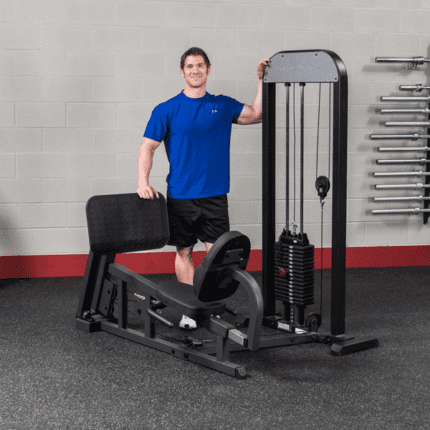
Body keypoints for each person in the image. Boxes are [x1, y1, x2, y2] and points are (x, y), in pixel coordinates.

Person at [137, 47, 270, 329]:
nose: (195, 70)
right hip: (181, 197)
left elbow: (257, 114)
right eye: (189, 66)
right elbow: (148, 147)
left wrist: (261, 79)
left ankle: (206, 303)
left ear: (208, 70)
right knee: (184, 252)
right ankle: (190, 309)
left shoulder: (222, 105)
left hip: (214, 197)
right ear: (182, 72)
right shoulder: (166, 109)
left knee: (217, 256)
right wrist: (142, 182)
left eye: (200, 65)